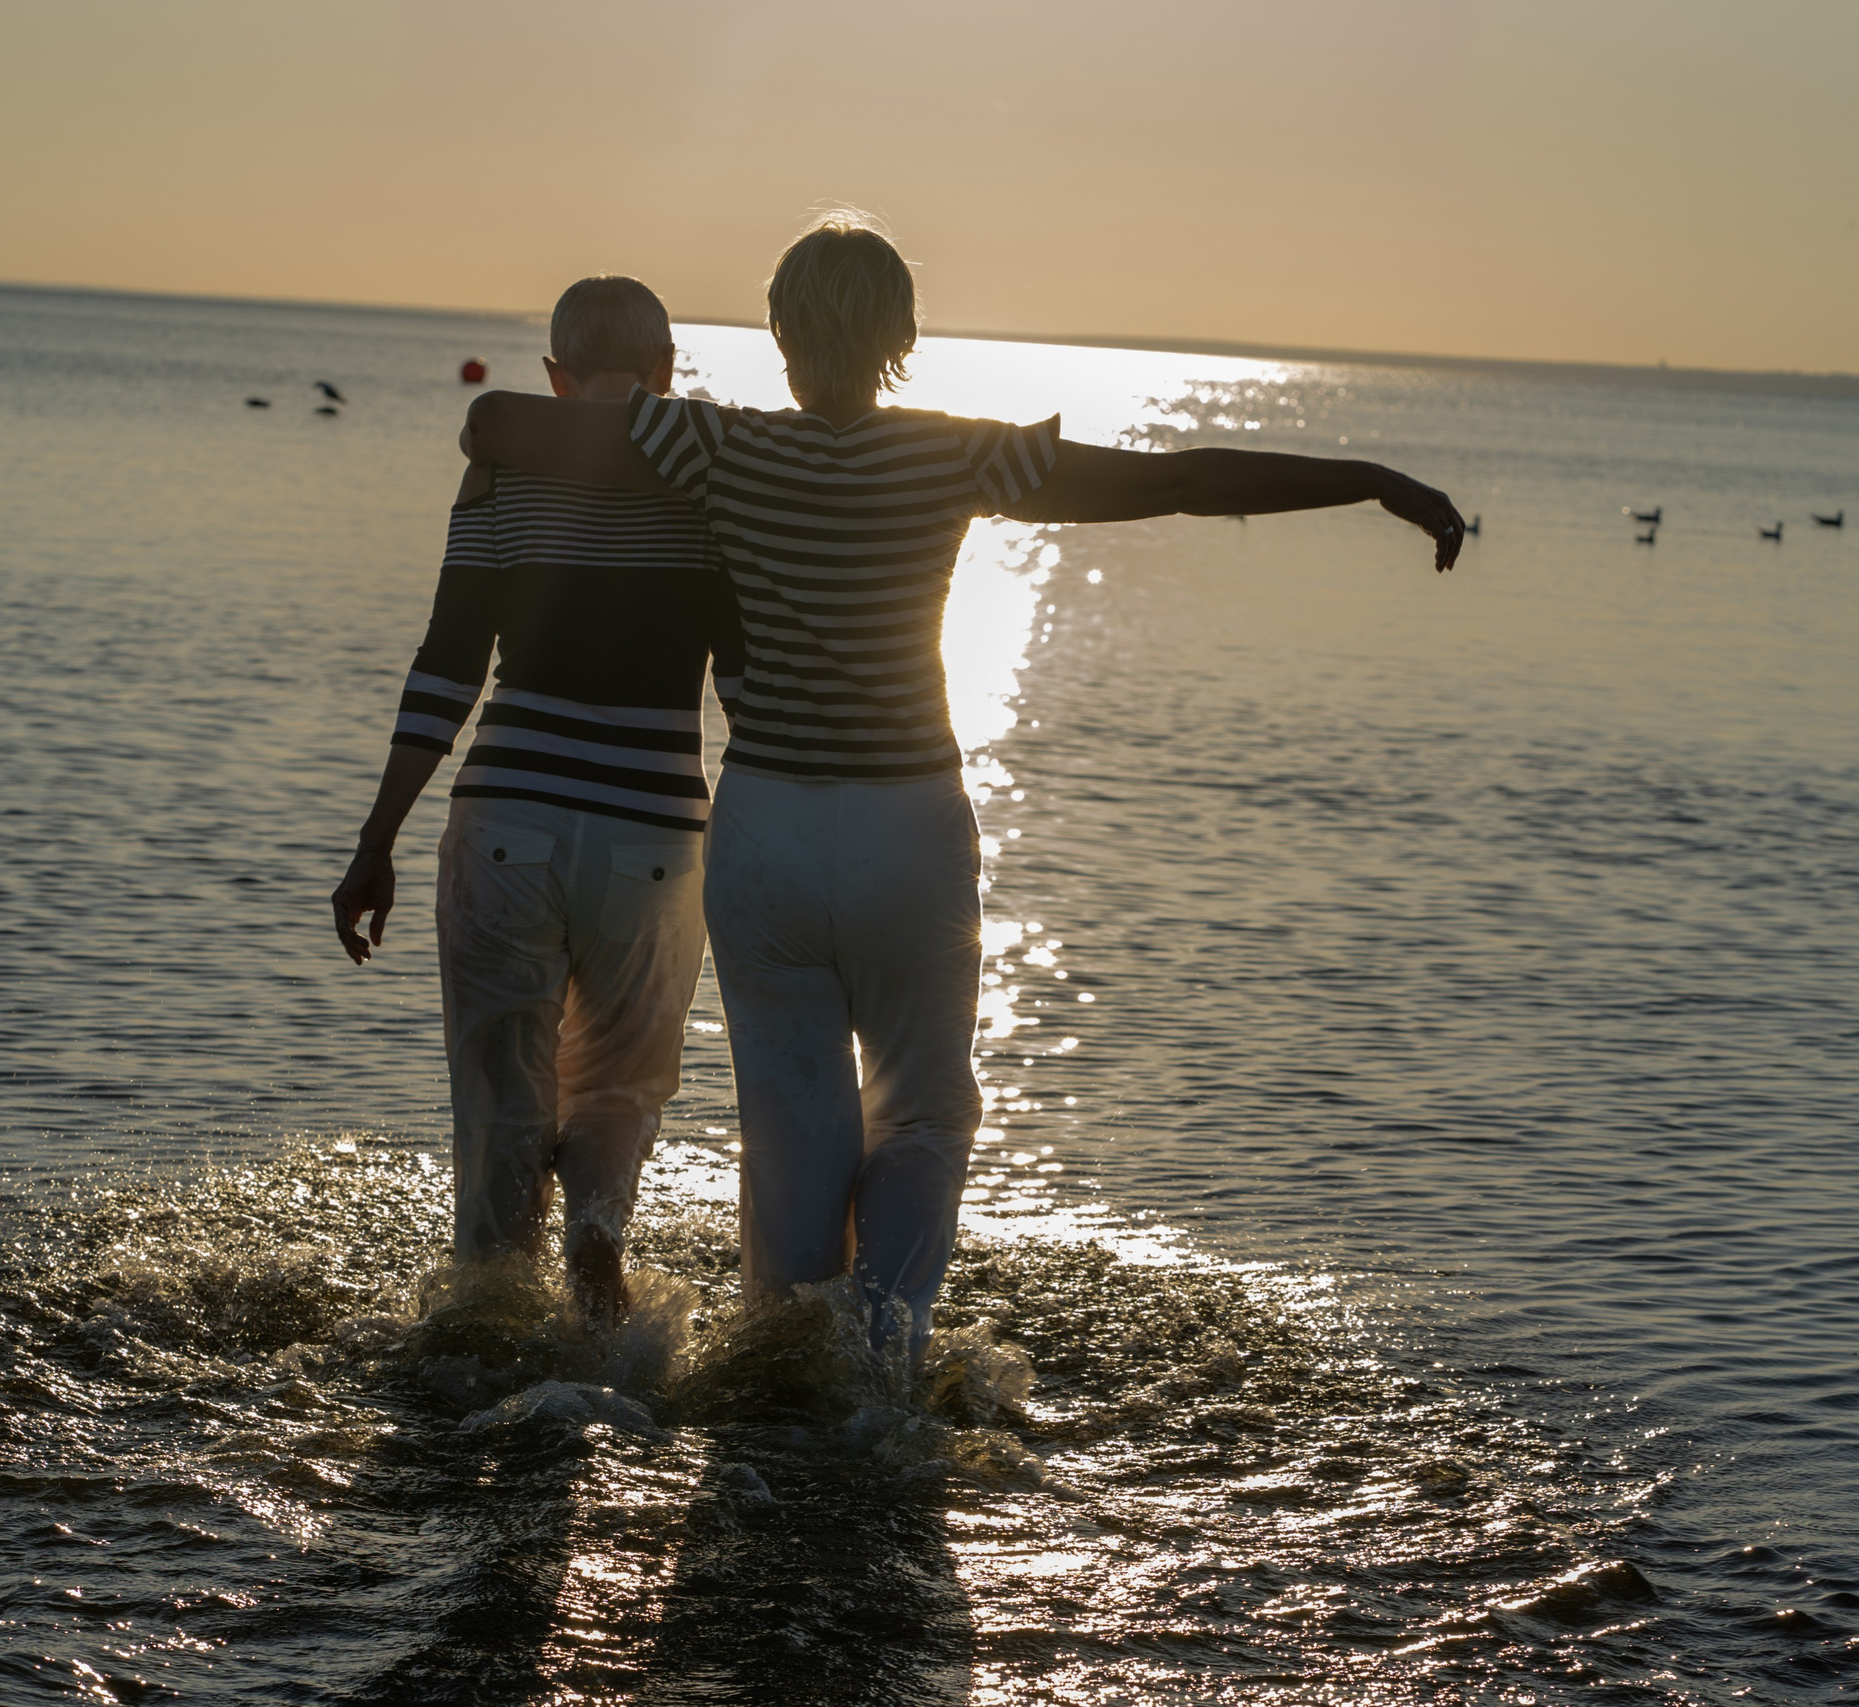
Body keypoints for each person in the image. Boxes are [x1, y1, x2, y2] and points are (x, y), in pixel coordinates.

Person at [461, 214, 1465, 1357]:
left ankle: (784, 1368)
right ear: (902, 335)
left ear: (779, 332)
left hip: (766, 830)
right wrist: (1372, 479)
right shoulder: (957, 455)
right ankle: (881, 1359)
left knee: (793, 1131)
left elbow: (495, 424)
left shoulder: (714, 445)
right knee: (926, 1110)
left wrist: (581, 415)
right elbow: (1180, 479)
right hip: (905, 831)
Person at [331, 275, 745, 1326]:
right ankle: (599, 1279)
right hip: (656, 837)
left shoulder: (501, 475)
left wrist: (377, 838)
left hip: (506, 816)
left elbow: (446, 669)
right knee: (617, 1094)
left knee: (500, 1103)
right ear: (666, 374)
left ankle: (484, 1330)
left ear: (556, 378)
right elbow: (747, 692)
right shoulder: (715, 487)